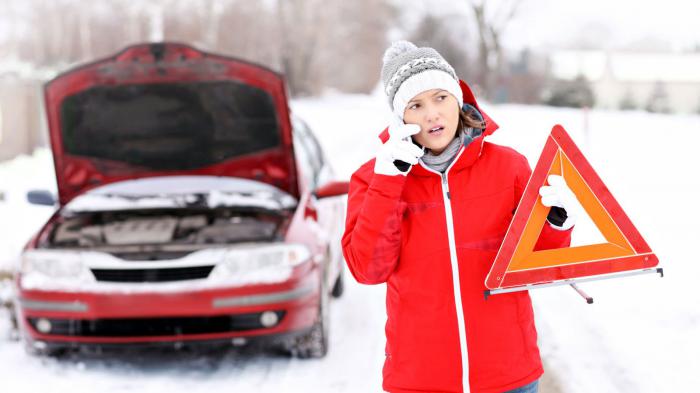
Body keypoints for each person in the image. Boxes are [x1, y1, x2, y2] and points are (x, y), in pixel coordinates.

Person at [341, 41, 578, 393]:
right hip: (421, 379)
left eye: (440, 98)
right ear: (399, 118)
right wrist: (388, 183)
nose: (432, 114)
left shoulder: (508, 167)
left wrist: (557, 223)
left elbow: (538, 260)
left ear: (459, 99)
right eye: (415, 105)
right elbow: (368, 269)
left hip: (508, 374)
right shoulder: (373, 178)